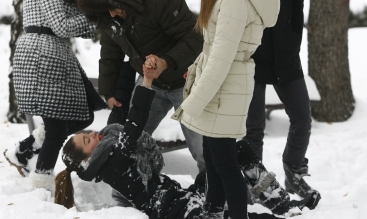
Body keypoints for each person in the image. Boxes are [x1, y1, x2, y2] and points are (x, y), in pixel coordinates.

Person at [53, 62, 318, 219]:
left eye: (87, 133)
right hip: (182, 213)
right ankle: (286, 213)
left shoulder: (110, 155)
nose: (92, 135)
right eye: (87, 141)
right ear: (87, 159)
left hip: (186, 199)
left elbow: (126, 127)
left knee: (234, 151)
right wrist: (146, 81)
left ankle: (281, 202)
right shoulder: (112, 164)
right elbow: (133, 125)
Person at [170, 0, 281, 218]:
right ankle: (213, 211)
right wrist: (197, 73)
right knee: (213, 158)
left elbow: (221, 58)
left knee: (225, 163)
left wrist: (194, 101)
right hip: (223, 84)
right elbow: (215, 51)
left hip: (225, 87)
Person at [76, 0, 206, 173]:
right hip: (149, 84)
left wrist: (165, 62)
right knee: (128, 139)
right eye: (104, 8)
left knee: (203, 149)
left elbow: (194, 38)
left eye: (113, 5)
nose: (111, 13)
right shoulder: (108, 15)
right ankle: (132, 189)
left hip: (187, 81)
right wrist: (108, 91)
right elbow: (110, 54)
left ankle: (217, 197)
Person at [3, 0, 107, 192]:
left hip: (53, 54)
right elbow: (60, 24)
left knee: (84, 114)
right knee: (58, 127)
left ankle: (24, 151)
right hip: (42, 55)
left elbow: (64, 19)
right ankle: (41, 182)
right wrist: (94, 19)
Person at [243, 0, 321, 201]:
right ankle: (255, 185)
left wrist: (293, 46)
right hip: (253, 54)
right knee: (253, 127)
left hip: (286, 56)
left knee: (302, 118)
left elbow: (297, 9)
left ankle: (293, 173)